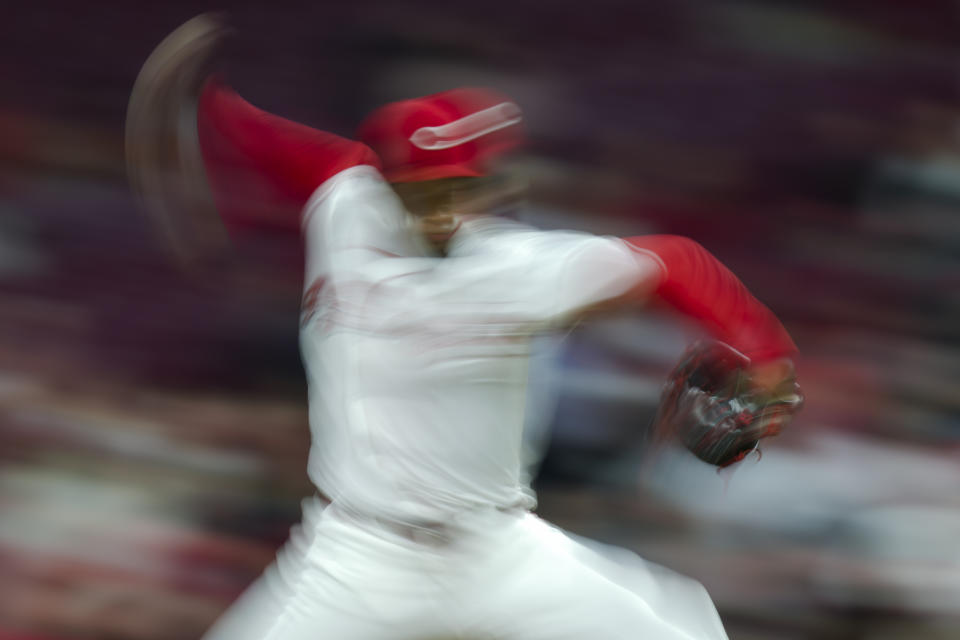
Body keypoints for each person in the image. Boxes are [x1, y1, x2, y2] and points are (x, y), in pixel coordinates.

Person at [127, 15, 800, 640]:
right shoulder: (346, 205)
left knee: (686, 628)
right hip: (358, 558)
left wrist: (767, 355)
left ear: (483, 186)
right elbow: (284, 150)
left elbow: (675, 263)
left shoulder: (523, 267)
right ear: (388, 181)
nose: (443, 210)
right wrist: (209, 104)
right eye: (425, 192)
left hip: (496, 552)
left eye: (457, 189)